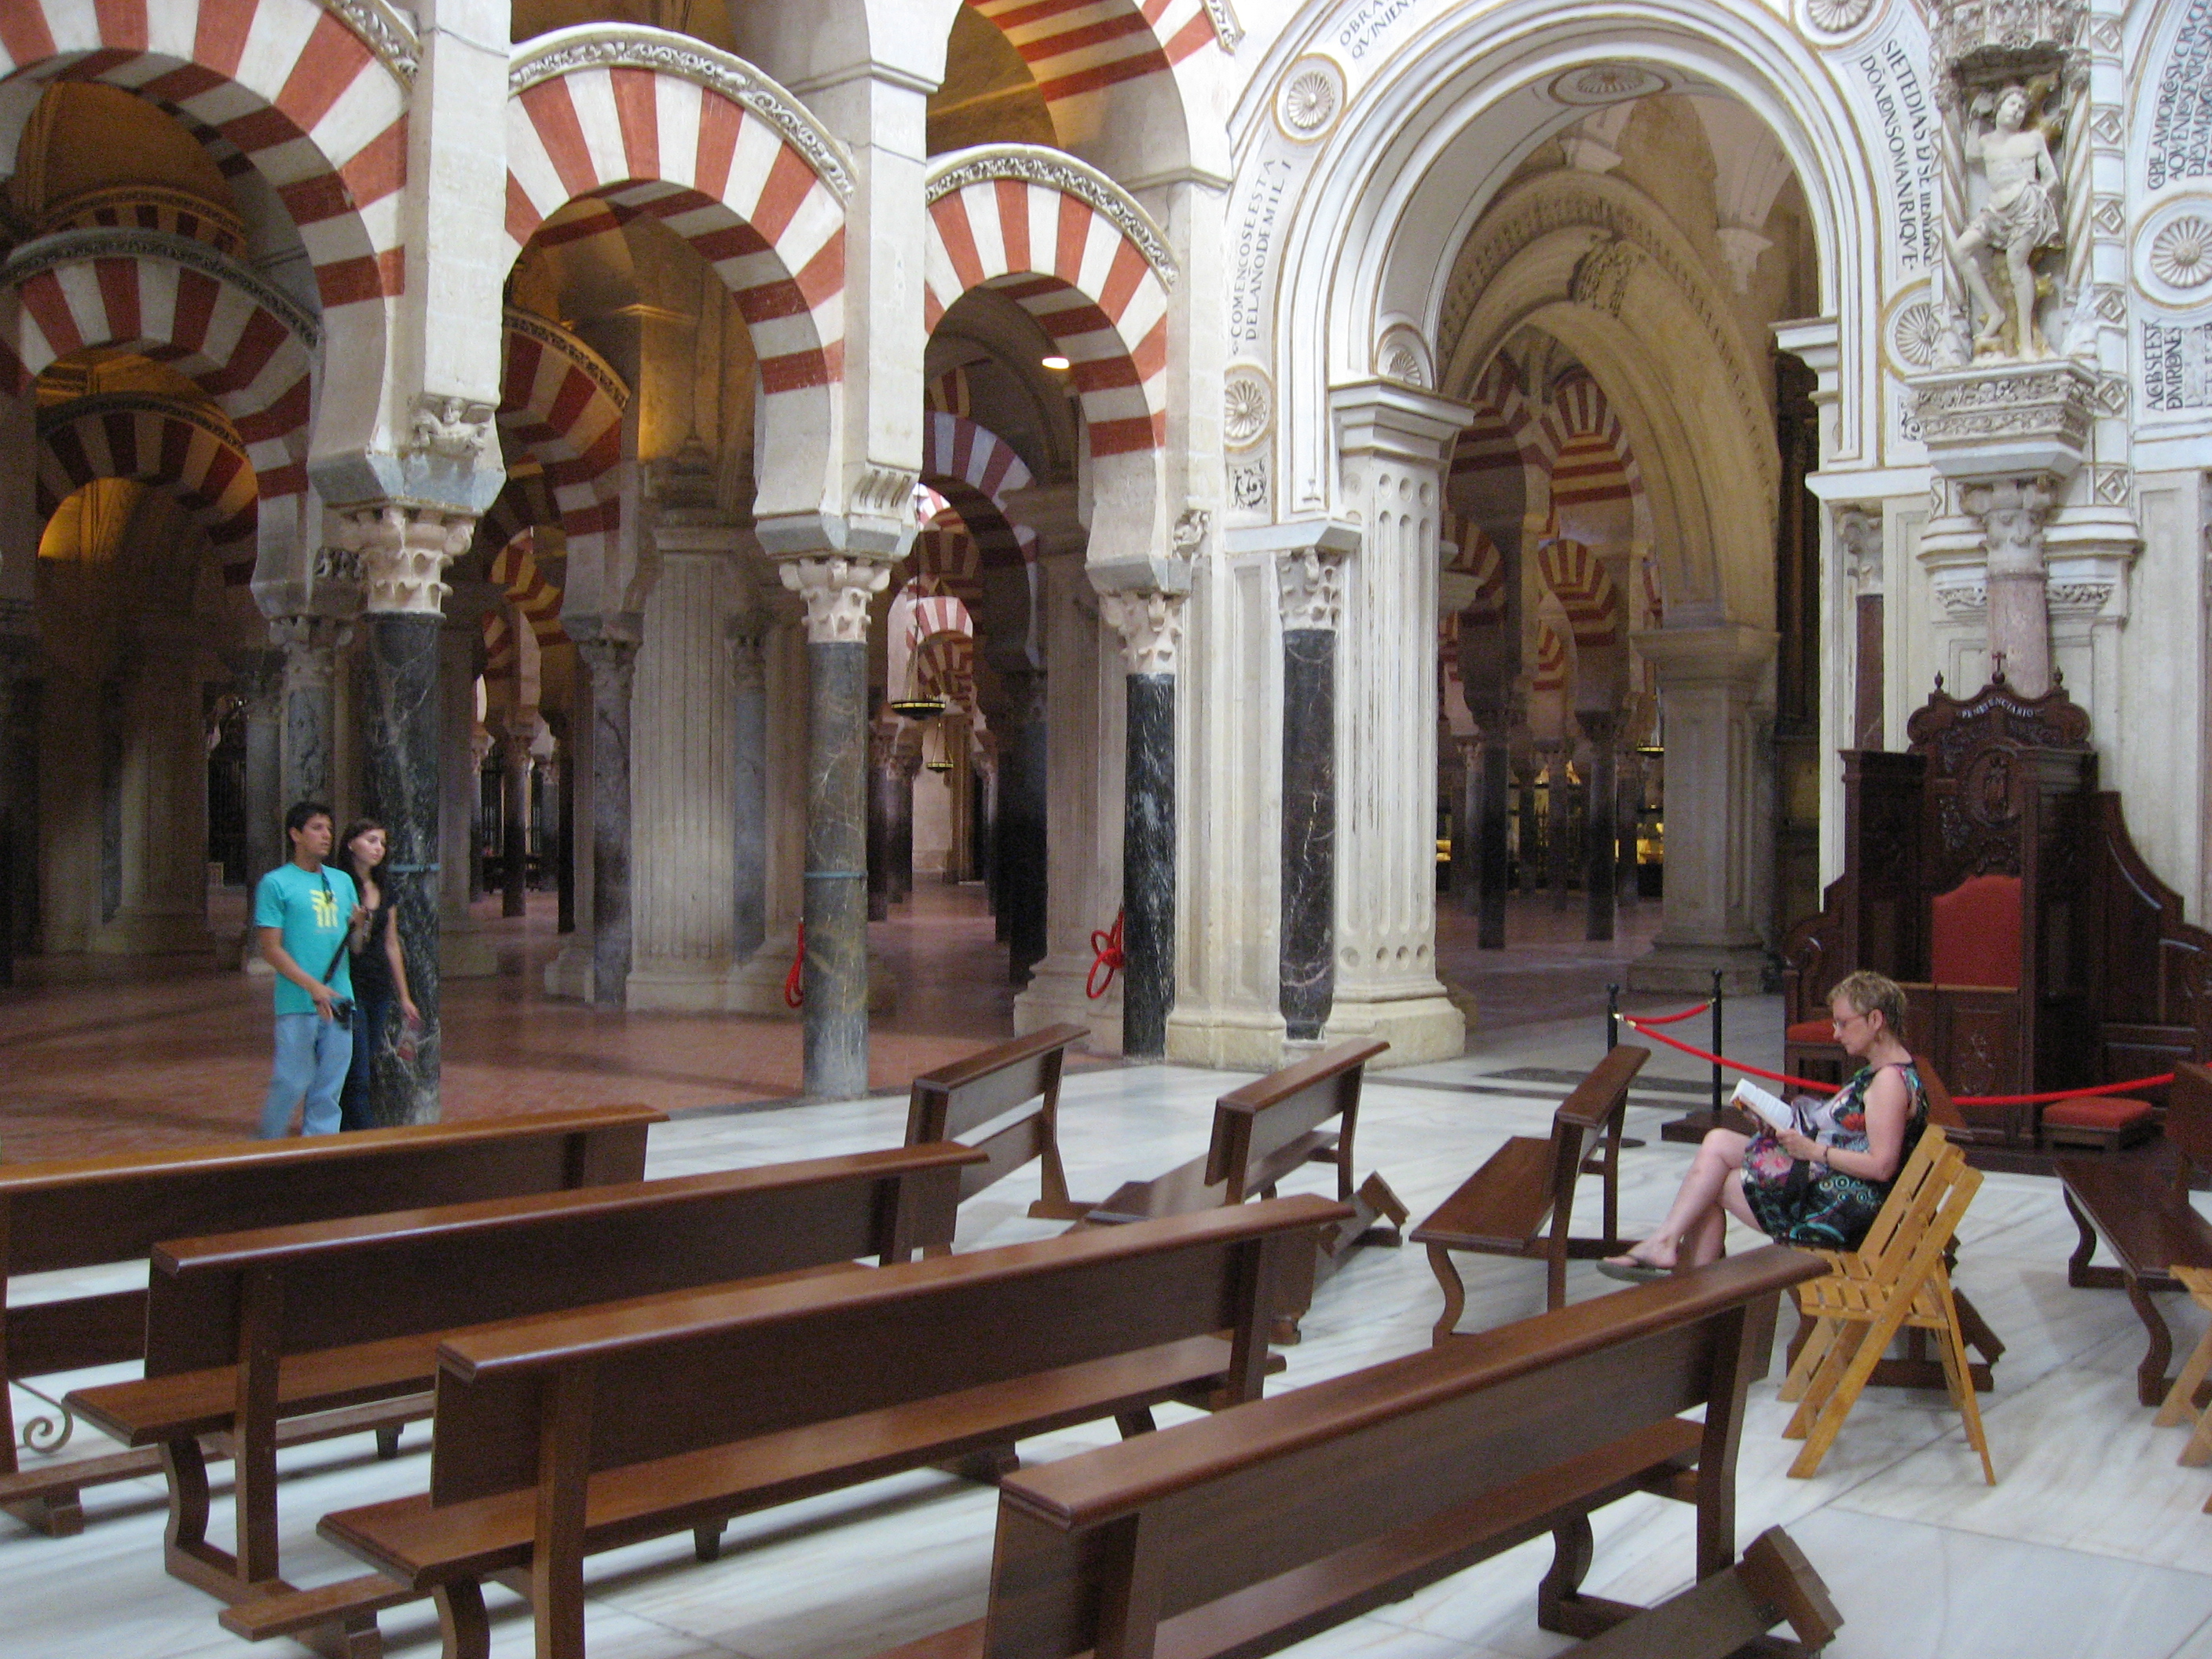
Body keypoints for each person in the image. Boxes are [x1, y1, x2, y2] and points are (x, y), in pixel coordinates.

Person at [1600, 969, 1927, 1278]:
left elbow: (1882, 1166)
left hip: (1844, 1210)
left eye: (1843, 1023)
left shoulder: (1888, 1083)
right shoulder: (1884, 1072)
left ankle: (1685, 1292)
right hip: (1836, 1184)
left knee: (1713, 1186)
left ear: (1875, 1020)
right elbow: (1848, 1133)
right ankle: (1669, 1251)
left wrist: (1814, 1151)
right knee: (1717, 1142)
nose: (1836, 1033)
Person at [254, 802, 361, 1138]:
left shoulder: (342, 881)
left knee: (330, 1086)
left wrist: (360, 926)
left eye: (329, 828)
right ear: (295, 834)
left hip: (340, 999)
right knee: (291, 1080)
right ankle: (267, 1144)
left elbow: (355, 945)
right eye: (317, 828)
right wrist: (312, 986)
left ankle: (320, 1147)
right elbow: (271, 948)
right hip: (297, 1001)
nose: (326, 835)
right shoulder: (276, 884)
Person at [335, 818, 420, 1133]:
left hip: (378, 986)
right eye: (371, 841)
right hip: (348, 984)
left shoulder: (385, 889)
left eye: (382, 843)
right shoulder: (339, 886)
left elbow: (391, 944)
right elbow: (348, 945)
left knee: (366, 1061)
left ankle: (347, 1129)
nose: (378, 848)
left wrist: (405, 996)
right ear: (351, 844)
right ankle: (364, 1135)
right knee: (357, 1071)